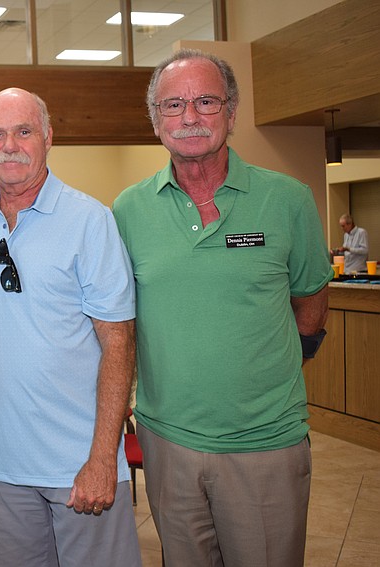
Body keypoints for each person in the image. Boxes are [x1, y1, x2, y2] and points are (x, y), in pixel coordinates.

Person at [112, 49, 332, 567]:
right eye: (173, 105)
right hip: (167, 442)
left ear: (231, 112)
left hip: (267, 445)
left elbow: (311, 303)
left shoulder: (288, 200)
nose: (190, 116)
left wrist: (257, 373)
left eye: (206, 101)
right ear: (156, 120)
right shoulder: (127, 210)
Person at [0, 88, 141, 566]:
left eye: (24, 131)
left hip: (80, 465)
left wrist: (104, 458)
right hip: (3, 469)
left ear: (48, 138)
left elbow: (119, 344)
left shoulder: (90, 221)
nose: (10, 145)